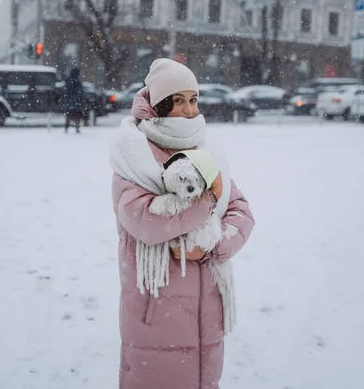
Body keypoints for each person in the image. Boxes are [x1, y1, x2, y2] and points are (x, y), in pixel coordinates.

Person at [110, 58, 255, 389]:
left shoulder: (206, 148)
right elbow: (141, 218)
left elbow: (240, 208)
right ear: (160, 104)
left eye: (193, 99)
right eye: (179, 101)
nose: (190, 110)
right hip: (156, 304)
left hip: (208, 304)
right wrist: (206, 202)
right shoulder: (135, 154)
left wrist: (214, 246)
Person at [64, 66, 84, 133]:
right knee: (77, 115)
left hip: (69, 101)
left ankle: (66, 127)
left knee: (69, 115)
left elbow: (66, 88)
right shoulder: (77, 80)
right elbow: (81, 91)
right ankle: (77, 127)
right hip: (76, 101)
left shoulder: (68, 79)